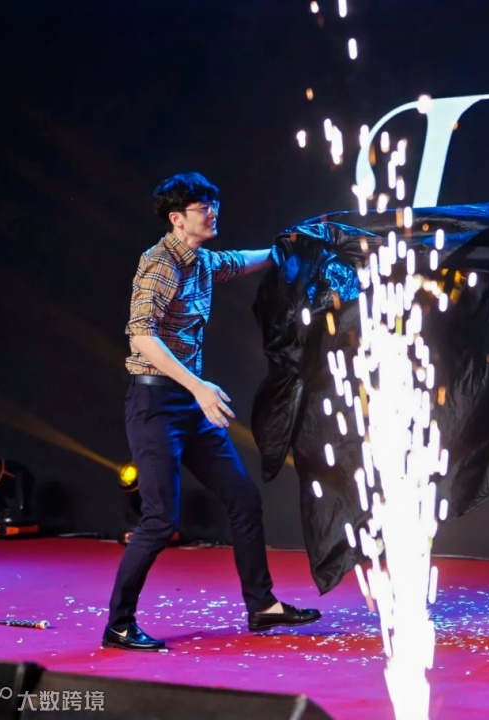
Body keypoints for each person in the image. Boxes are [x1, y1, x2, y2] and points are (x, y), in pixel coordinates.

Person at [103, 172, 321, 651]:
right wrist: (198, 387)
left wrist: (287, 247)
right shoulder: (160, 263)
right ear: (177, 219)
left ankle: (262, 606)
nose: (212, 213)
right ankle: (118, 625)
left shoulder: (201, 261)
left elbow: (238, 262)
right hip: (156, 404)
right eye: (203, 208)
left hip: (190, 403)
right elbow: (141, 336)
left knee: (243, 498)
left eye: (213, 204)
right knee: (160, 519)